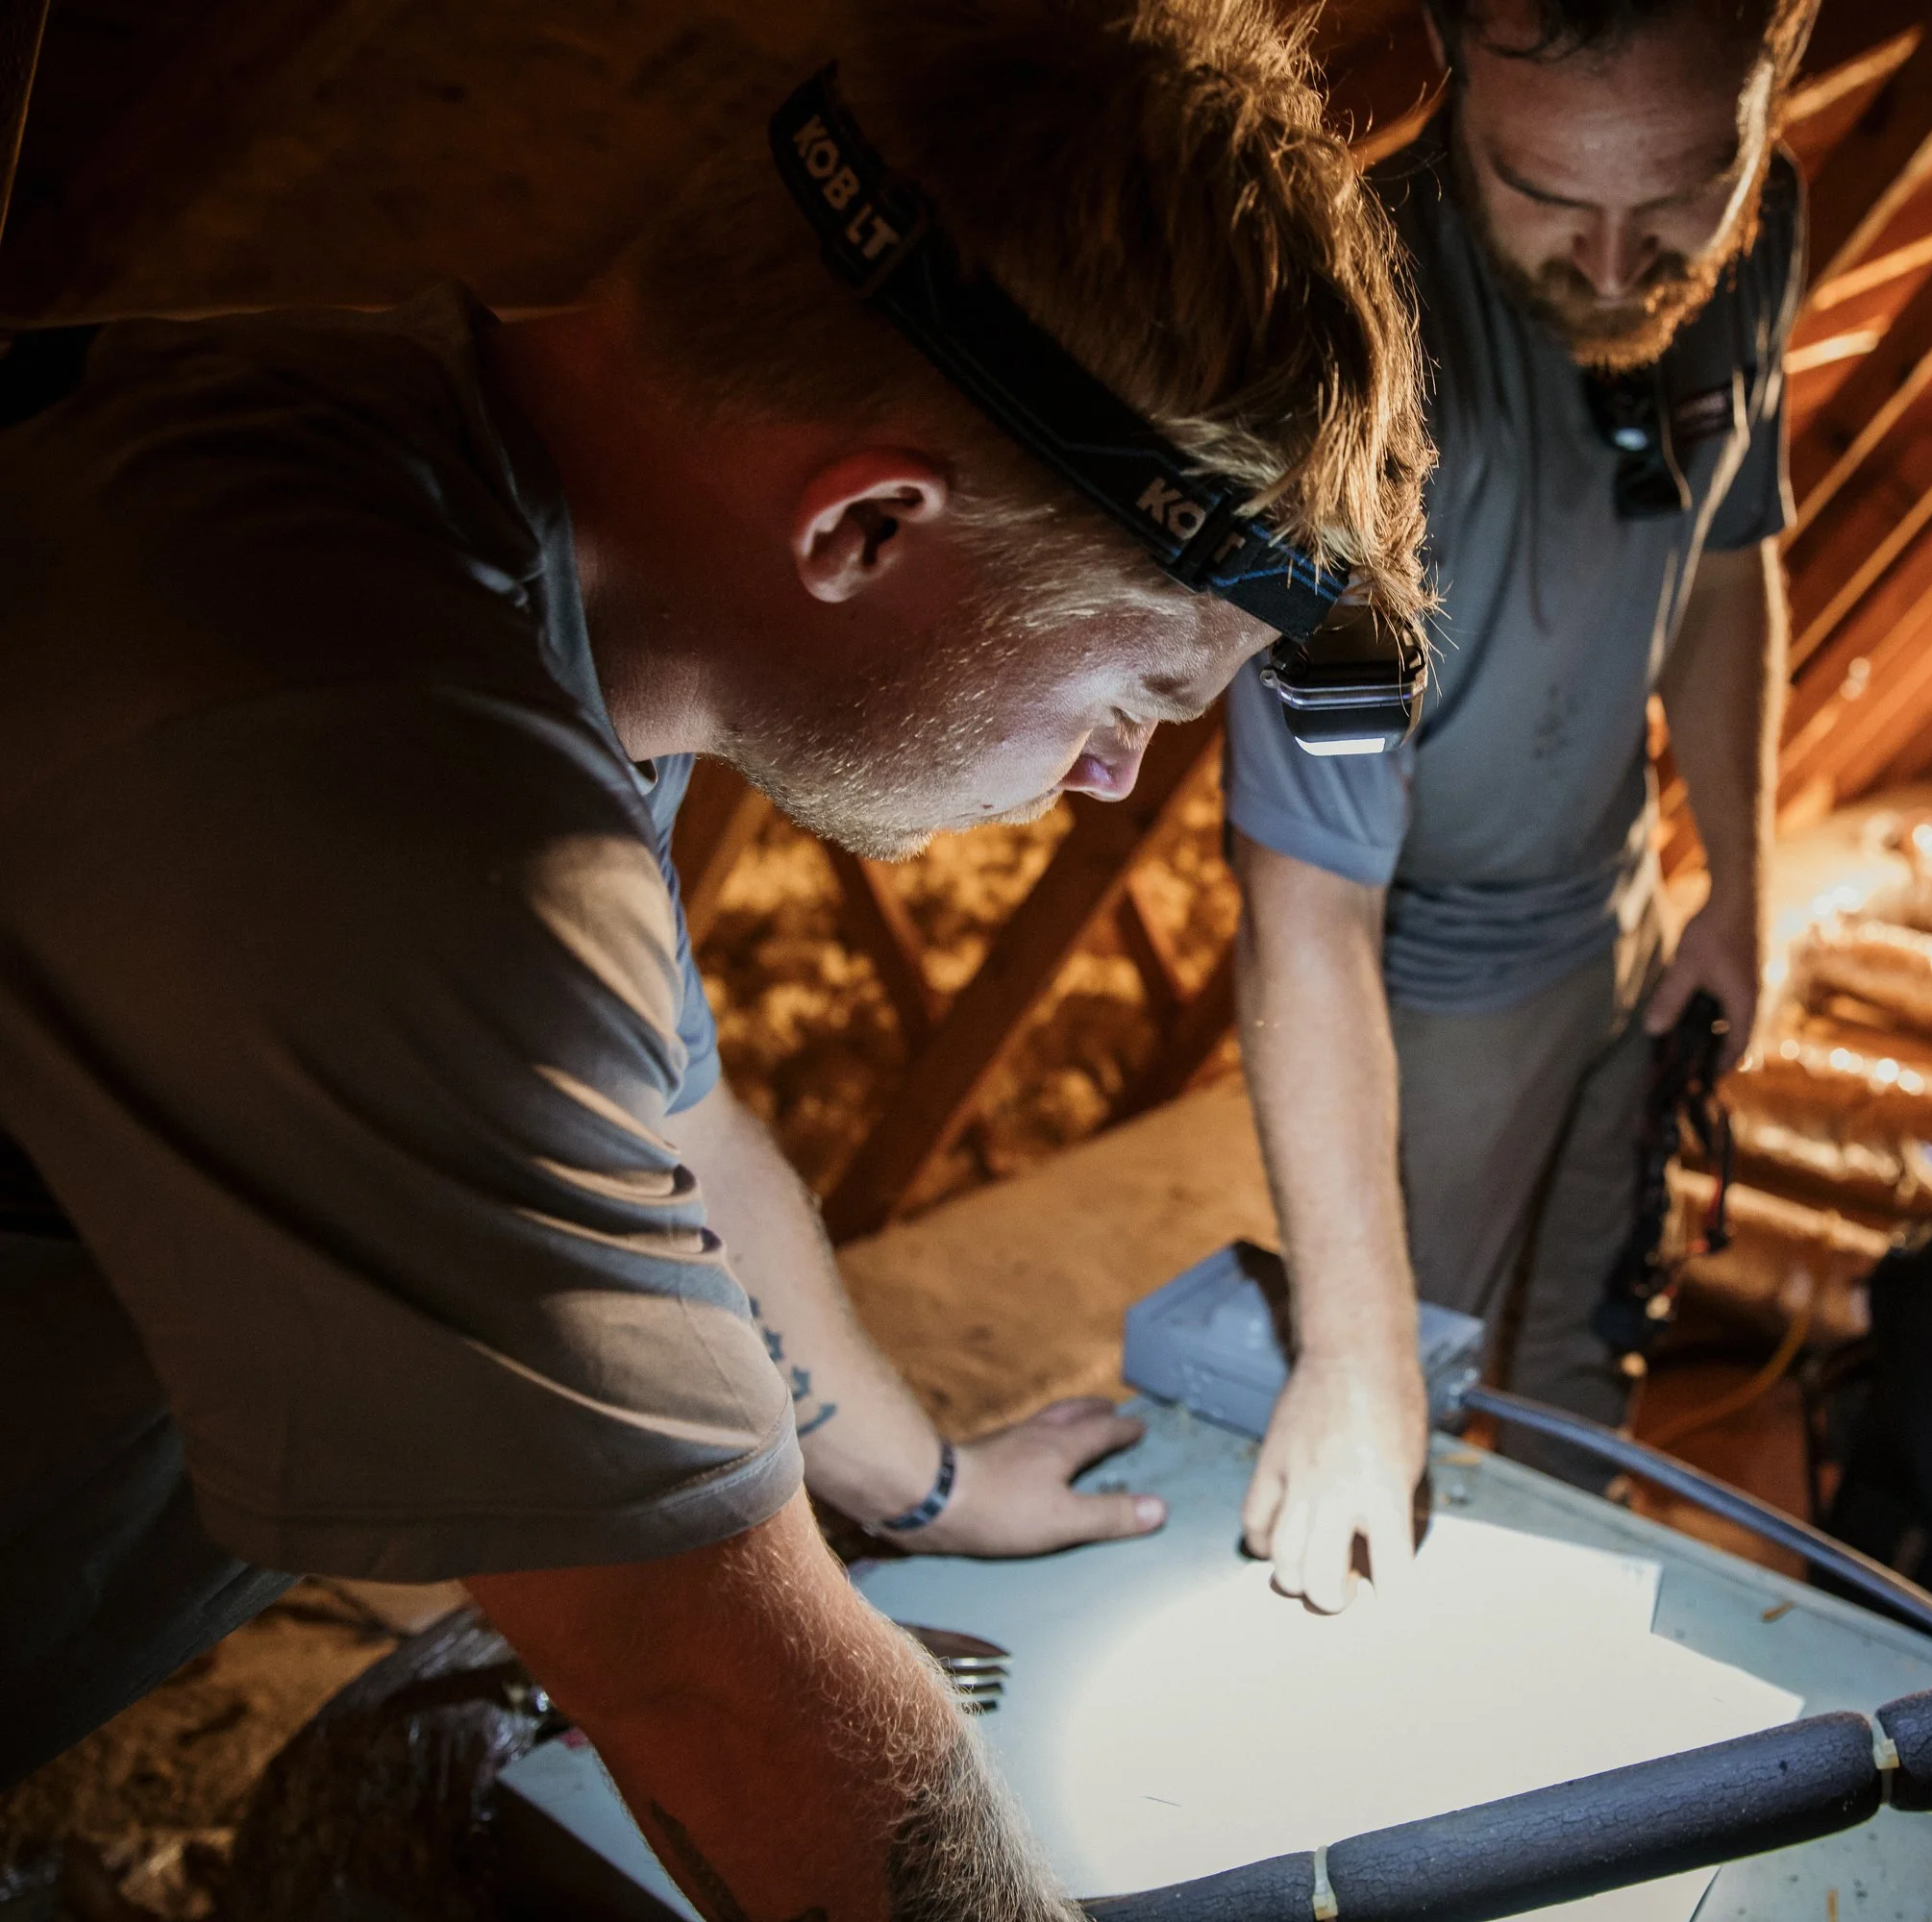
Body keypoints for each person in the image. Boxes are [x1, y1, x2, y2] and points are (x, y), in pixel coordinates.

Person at [0, 2, 1429, 1913]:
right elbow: (716, 1698)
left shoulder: (476, 527)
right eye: (1133, 686)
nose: (1110, 782)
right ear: (859, 523)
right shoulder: (374, 765)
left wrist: (921, 1483)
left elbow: (666, 1129)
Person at [1226, 0, 1815, 1607]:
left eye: (1684, 187)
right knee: (1420, 1408)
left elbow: (1721, 566)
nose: (1622, 265)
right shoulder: (1342, 333)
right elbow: (1304, 901)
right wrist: (1350, 1354)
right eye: (1546, 194)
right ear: (1447, 57)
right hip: (1441, 981)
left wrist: (1740, 894)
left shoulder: (1759, 235)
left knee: (1573, 1380)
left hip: (1622, 912)